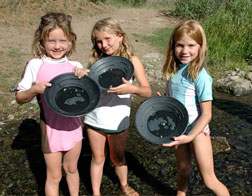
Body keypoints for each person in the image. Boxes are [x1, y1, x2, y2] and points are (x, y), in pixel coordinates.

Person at [75, 17, 152, 196]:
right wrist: (83, 75)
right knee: (97, 158)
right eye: (99, 41)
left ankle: (124, 185)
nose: (104, 45)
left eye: (108, 39)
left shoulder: (132, 61)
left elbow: (147, 91)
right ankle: (96, 192)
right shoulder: (97, 62)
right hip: (95, 119)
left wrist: (132, 89)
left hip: (118, 122)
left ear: (120, 36)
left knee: (117, 158)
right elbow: (88, 92)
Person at [16, 12, 87, 196]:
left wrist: (86, 77)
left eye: (62, 41)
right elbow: (19, 97)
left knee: (72, 169)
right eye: (51, 41)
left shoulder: (75, 66)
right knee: (54, 176)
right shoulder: (35, 65)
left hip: (74, 128)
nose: (57, 46)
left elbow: (89, 97)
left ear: (71, 41)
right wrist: (33, 90)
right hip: (51, 130)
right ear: (41, 41)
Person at [158, 20, 230, 196]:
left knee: (209, 180)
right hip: (179, 128)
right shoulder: (174, 70)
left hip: (196, 132)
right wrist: (162, 103)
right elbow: (177, 101)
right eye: (180, 45)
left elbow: (206, 115)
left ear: (200, 46)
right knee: (184, 170)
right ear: (173, 45)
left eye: (191, 45)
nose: (185, 51)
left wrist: (189, 136)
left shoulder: (201, 76)